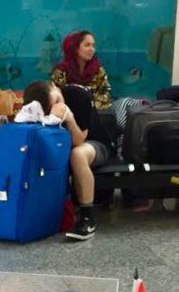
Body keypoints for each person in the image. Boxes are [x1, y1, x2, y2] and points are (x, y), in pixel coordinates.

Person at [23, 79, 113, 241]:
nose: (59, 105)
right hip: (61, 147)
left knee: (77, 154)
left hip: (95, 144)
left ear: (54, 85)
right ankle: (17, 212)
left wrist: (69, 118)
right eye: (52, 106)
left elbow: (79, 140)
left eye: (57, 100)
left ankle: (87, 217)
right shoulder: (36, 106)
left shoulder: (78, 95)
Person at [50, 31, 111, 109]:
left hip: (96, 111)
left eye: (93, 45)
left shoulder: (97, 69)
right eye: (87, 45)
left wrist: (92, 108)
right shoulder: (61, 70)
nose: (92, 49)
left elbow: (105, 93)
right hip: (69, 112)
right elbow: (56, 96)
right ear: (75, 48)